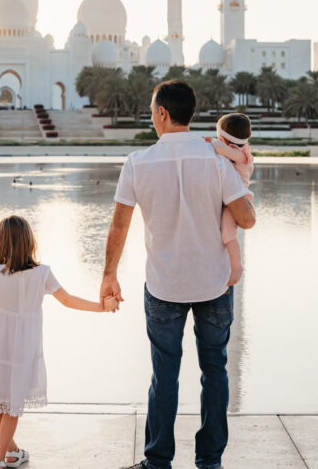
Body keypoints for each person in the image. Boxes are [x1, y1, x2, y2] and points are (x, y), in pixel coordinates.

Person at [101, 80, 256, 469]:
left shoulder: (138, 163)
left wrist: (109, 274)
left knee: (164, 375)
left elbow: (118, 227)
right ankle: (209, 462)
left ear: (163, 114)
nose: (153, 118)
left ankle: (157, 462)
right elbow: (247, 220)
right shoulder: (219, 163)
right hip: (215, 284)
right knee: (215, 371)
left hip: (164, 286)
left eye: (153, 112)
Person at [0, 215, 118, 469]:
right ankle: (6, 455)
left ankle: (4, 456)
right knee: (11, 403)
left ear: (1, 244)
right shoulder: (42, 274)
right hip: (25, 347)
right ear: (29, 242)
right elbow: (68, 300)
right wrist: (101, 308)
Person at [206, 112, 254, 287]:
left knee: (228, 234)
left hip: (238, 199)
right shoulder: (236, 152)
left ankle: (236, 266)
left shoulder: (241, 156)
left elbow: (219, 148)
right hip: (229, 197)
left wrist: (211, 142)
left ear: (225, 139)